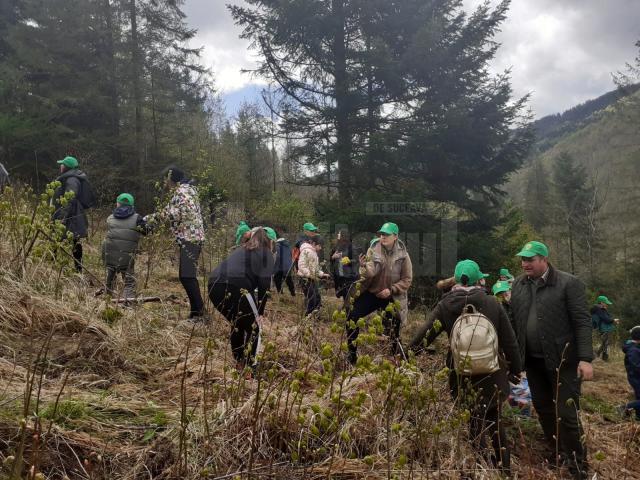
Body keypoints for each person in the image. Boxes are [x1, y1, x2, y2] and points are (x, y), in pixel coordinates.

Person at [409, 259, 522, 476]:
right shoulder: (492, 303)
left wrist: (403, 355)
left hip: (462, 375)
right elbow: (510, 342)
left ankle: (480, 468)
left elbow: (423, 337)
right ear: (477, 279)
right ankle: (504, 470)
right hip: (493, 374)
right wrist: (516, 369)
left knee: (473, 421)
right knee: (495, 421)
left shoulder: (445, 305)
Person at [510, 241, 593, 479]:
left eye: (530, 259)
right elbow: (515, 322)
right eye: (523, 259)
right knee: (544, 409)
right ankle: (557, 452)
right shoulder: (518, 284)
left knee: (566, 414)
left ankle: (578, 465)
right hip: (533, 362)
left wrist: (585, 358)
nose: (525, 264)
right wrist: (514, 358)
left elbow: (582, 322)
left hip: (564, 361)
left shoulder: (568, 284)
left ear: (544, 260)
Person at [208, 227, 274, 371]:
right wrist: (260, 312)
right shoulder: (266, 254)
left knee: (238, 322)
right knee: (255, 327)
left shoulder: (242, 249)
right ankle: (250, 368)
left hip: (213, 285)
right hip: (237, 285)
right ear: (269, 241)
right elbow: (264, 285)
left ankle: (239, 362)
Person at [346, 222, 412, 365]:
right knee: (352, 315)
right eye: (381, 234)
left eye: (386, 234)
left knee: (394, 326)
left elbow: (407, 280)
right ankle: (351, 355)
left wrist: (392, 289)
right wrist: (363, 267)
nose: (383, 236)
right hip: (372, 293)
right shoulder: (373, 249)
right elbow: (370, 273)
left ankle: (396, 359)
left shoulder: (403, 255)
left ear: (395, 236)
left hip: (391, 295)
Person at [144, 166, 206, 320]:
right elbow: (169, 210)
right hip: (191, 237)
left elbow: (180, 212)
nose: (164, 182)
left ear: (171, 179)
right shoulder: (185, 190)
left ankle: (199, 315)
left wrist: (154, 220)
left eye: (166, 179)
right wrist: (147, 219)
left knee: (187, 276)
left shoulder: (182, 192)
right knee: (187, 276)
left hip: (190, 238)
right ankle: (196, 313)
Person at [51, 156, 95, 272]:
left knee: (69, 241)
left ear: (66, 167)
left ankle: (74, 270)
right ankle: (72, 269)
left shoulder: (71, 179)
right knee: (72, 241)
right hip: (73, 214)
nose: (60, 166)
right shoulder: (71, 177)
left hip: (71, 216)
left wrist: (61, 217)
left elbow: (69, 199)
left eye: (62, 164)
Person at [102, 193, 148, 299]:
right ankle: (128, 303)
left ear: (118, 204)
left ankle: (107, 300)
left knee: (110, 279)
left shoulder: (110, 218)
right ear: (132, 205)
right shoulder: (137, 218)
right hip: (127, 258)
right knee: (129, 281)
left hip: (110, 256)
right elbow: (147, 231)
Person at [297, 235, 330, 316]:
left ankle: (315, 315)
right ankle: (308, 317)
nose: (321, 248)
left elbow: (315, 269)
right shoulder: (306, 251)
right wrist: (309, 274)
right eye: (320, 246)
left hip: (311, 279)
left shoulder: (314, 253)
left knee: (318, 298)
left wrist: (322, 274)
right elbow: (301, 266)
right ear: (314, 244)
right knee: (312, 298)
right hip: (304, 279)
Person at [330, 230, 359, 300]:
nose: (337, 235)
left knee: (349, 299)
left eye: (339, 234)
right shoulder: (337, 246)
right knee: (345, 297)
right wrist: (333, 257)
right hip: (339, 277)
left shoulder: (351, 247)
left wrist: (348, 261)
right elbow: (331, 258)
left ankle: (349, 310)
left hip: (349, 277)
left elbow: (356, 260)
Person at [621, 326, 640, 419]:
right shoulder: (633, 350)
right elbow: (636, 366)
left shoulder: (634, 347)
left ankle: (638, 416)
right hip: (636, 377)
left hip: (635, 377)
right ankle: (625, 407)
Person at [591, 295, 617, 361]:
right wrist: (613, 320)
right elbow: (606, 319)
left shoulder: (600, 309)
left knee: (605, 343)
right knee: (605, 343)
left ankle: (598, 355)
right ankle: (602, 357)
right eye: (605, 303)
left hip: (603, 328)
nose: (607, 304)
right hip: (603, 329)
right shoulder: (599, 309)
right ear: (601, 302)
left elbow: (607, 317)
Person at [273, 229, 296, 296]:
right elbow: (291, 256)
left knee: (277, 280)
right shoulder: (288, 246)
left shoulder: (277, 245)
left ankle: (280, 294)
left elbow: (278, 257)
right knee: (289, 281)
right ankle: (293, 293)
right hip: (287, 267)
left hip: (279, 267)